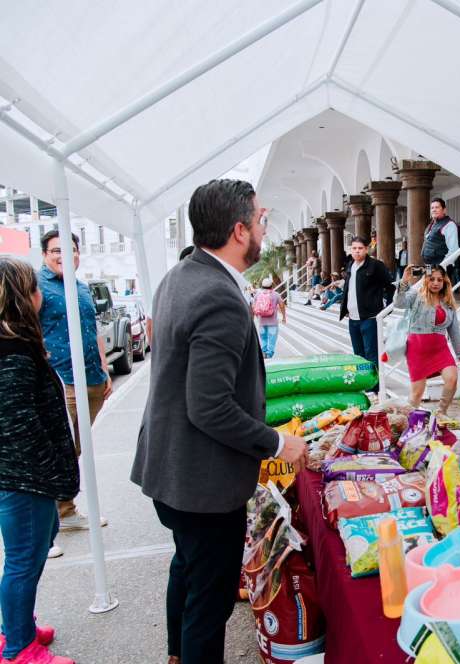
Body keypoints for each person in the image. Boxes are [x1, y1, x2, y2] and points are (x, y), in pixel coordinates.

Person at [130, 179, 307, 664]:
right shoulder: (218, 296)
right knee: (208, 603)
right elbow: (209, 406)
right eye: (260, 220)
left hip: (172, 470)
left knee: (187, 570)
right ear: (238, 230)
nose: (264, 229)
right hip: (201, 483)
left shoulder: (182, 274)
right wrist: (278, 443)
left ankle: (175, 654)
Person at [0, 258, 78, 664]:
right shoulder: (11, 352)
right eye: (34, 288)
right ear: (20, 296)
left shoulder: (17, 344)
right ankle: (18, 648)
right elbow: (18, 423)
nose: (40, 295)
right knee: (23, 560)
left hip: (26, 475)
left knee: (35, 548)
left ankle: (18, 629)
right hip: (24, 477)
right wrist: (52, 470)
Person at [37, 230, 109, 558]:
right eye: (56, 251)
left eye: (71, 249)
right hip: (61, 380)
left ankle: (65, 510)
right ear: (45, 255)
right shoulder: (36, 286)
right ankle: (44, 527)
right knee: (55, 452)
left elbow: (94, 329)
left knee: (74, 449)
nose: (65, 255)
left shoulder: (80, 288)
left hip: (91, 378)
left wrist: (104, 368)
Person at [397, 264, 460, 414]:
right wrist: (404, 281)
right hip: (417, 349)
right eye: (432, 279)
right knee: (417, 394)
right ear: (426, 280)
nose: (436, 283)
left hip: (440, 349)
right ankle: (406, 421)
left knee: (452, 378)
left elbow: (454, 331)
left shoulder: (448, 302)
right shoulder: (416, 295)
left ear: (444, 282)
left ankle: (441, 413)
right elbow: (399, 303)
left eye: (439, 280)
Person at [339, 236, 394, 382]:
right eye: (354, 248)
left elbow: (390, 286)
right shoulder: (350, 265)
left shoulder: (376, 266)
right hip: (353, 319)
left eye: (360, 248)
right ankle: (364, 383)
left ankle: (375, 386)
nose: (357, 251)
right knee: (358, 355)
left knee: (371, 354)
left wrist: (386, 309)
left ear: (366, 249)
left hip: (370, 318)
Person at [253, 276, 285, 359]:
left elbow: (253, 307)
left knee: (263, 339)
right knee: (272, 340)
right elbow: (282, 305)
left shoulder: (258, 294)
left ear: (262, 286)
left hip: (261, 322)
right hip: (273, 323)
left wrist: (255, 317)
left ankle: (264, 353)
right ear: (271, 286)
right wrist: (284, 317)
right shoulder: (275, 294)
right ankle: (269, 355)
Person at [422, 198, 459, 266]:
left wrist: (442, 266)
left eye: (437, 207)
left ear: (444, 210)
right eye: (432, 208)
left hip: (441, 267)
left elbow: (453, 250)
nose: (434, 210)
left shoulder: (449, 225)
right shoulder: (432, 224)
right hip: (430, 266)